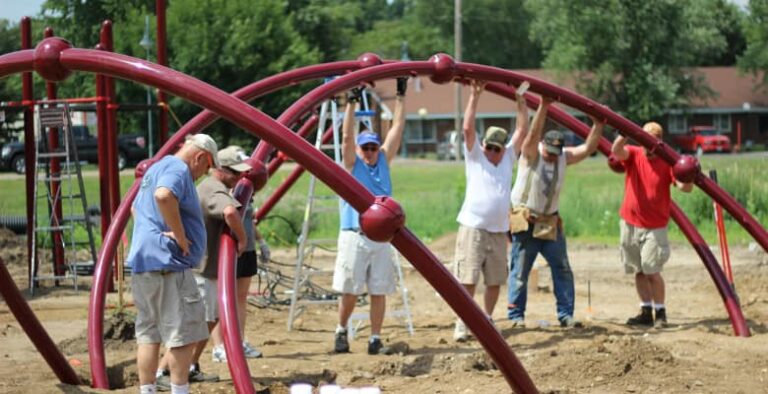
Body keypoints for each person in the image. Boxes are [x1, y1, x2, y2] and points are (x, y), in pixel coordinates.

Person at [127, 134, 219, 394]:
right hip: (169, 266)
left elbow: (136, 208)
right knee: (182, 336)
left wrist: (154, 231)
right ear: (200, 157)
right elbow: (164, 195)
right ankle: (180, 391)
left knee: (149, 335)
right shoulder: (178, 169)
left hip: (144, 264)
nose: (204, 174)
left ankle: (147, 391)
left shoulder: (156, 167)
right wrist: (180, 236)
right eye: (206, 167)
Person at [507, 98, 605, 328]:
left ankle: (565, 315)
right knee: (520, 270)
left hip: (549, 221)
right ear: (543, 145)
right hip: (525, 218)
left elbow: (588, 148)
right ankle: (516, 317)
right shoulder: (532, 152)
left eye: (555, 153)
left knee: (561, 268)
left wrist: (598, 125)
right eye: (549, 152)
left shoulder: (563, 157)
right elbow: (531, 134)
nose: (551, 157)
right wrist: (544, 105)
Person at [332, 78, 406, 355]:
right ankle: (341, 331)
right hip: (355, 234)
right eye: (367, 148)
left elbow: (397, 129)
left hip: (382, 239)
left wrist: (400, 97)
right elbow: (348, 137)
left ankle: (375, 338)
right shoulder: (352, 165)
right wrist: (351, 102)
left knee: (379, 290)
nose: (371, 152)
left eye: (374, 147)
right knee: (350, 290)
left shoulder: (384, 162)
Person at [452, 80, 530, 342]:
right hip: (473, 226)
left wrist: (521, 102)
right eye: (489, 147)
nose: (491, 152)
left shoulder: (508, 157)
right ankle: (463, 323)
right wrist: (475, 95)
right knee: (468, 278)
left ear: (503, 148)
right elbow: (467, 128)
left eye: (497, 148)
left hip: (498, 230)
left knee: (495, 280)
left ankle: (485, 320)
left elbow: (522, 129)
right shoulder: (475, 157)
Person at [611, 122, 693, 328]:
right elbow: (616, 151)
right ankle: (645, 310)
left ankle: (661, 312)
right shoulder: (634, 153)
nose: (647, 145)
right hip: (630, 222)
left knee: (652, 270)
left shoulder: (668, 161)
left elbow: (685, 187)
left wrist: (689, 174)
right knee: (638, 270)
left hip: (655, 225)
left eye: (651, 140)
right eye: (644, 140)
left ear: (659, 141)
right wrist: (625, 134)